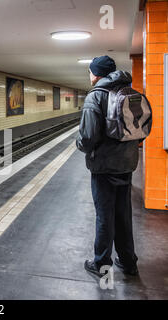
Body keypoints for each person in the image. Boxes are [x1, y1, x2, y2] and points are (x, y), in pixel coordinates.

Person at [76, 55, 140, 277]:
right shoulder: (130, 93)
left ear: (96, 74)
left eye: (90, 71)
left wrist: (80, 144)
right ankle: (129, 262)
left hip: (104, 167)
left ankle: (102, 264)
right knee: (123, 214)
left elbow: (88, 137)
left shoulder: (96, 96)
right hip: (127, 164)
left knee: (104, 215)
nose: (89, 75)